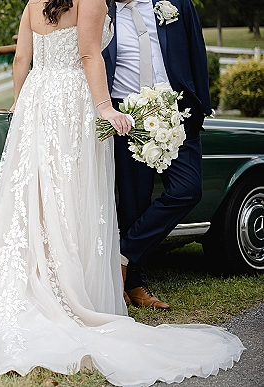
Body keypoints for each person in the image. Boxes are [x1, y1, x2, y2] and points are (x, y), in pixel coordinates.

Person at [0, 1, 243, 385]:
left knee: (35, 195)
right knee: (71, 195)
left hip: (36, 102)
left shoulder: (34, 2)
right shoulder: (93, 1)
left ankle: (37, 277)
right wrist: (105, 107)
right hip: (74, 103)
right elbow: (89, 55)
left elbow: (20, 60)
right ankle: (71, 289)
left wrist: (21, 103)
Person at [102, 0, 210, 309]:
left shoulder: (174, 4)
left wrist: (200, 105)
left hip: (175, 110)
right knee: (134, 203)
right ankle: (135, 284)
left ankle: (122, 256)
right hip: (127, 116)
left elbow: (195, 50)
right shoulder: (100, 11)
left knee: (188, 189)